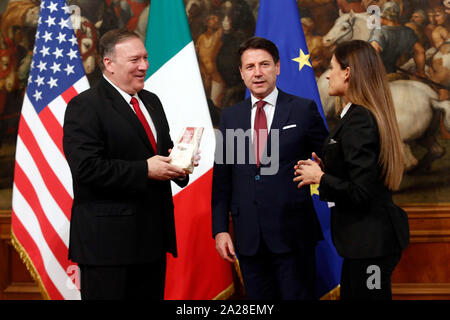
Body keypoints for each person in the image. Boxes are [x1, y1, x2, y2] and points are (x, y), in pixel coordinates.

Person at [63, 29, 194, 300]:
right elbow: (86, 168)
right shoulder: (85, 106)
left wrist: (180, 162)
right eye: (135, 59)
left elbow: (161, 152)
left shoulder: (151, 101)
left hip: (152, 241)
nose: (144, 66)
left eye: (145, 58)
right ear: (109, 64)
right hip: (108, 247)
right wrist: (145, 169)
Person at [211, 37, 328, 300]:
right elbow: (223, 181)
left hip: (293, 237)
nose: (258, 72)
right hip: (249, 240)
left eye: (264, 64)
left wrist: (322, 166)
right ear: (241, 74)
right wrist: (220, 230)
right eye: (250, 66)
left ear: (277, 67)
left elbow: (329, 159)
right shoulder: (231, 117)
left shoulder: (302, 110)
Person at [294, 40, 410, 300]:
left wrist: (321, 178)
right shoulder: (356, 115)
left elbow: (361, 192)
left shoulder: (359, 119)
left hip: (371, 245)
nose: (327, 74)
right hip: (363, 245)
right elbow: (359, 173)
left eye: (332, 67)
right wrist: (328, 169)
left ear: (347, 72)